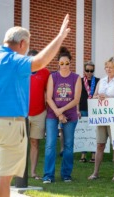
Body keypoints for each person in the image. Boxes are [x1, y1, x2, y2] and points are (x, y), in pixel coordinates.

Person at [0, 14, 70, 197]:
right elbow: (41, 62)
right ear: (22, 44)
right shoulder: (15, 61)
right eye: (26, 46)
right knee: (4, 177)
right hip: (10, 125)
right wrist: (60, 37)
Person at [42, 46, 82, 184]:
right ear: (58, 63)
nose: (64, 66)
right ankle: (48, 175)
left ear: (70, 63)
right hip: (53, 114)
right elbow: (48, 98)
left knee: (69, 145)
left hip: (70, 115)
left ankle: (66, 174)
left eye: (67, 63)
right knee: (50, 144)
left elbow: (76, 100)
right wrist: (58, 113)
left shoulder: (76, 78)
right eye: (61, 63)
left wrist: (62, 110)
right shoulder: (53, 77)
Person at [88, 56, 114, 181]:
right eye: (106, 67)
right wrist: (98, 97)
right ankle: (95, 172)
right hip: (101, 116)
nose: (108, 69)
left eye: (111, 67)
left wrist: (108, 97)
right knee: (99, 145)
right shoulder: (101, 81)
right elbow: (93, 96)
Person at [27, 49, 50, 179]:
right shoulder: (21, 71)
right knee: (19, 143)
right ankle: (19, 171)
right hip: (22, 114)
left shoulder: (45, 72)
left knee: (35, 142)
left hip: (39, 113)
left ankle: (33, 172)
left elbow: (49, 91)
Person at [78, 61, 99, 163]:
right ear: (84, 71)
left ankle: (93, 154)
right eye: (87, 70)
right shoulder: (80, 81)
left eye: (91, 70)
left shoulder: (98, 81)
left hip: (94, 110)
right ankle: (83, 154)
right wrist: (77, 110)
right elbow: (77, 97)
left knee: (93, 132)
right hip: (83, 109)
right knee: (84, 132)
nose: (89, 72)